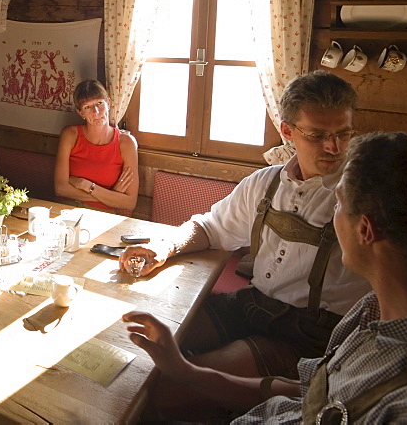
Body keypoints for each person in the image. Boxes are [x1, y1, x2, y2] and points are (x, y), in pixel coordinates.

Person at [124, 132, 407, 422]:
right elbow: (312, 394)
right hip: (256, 316)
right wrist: (188, 371)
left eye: (339, 205)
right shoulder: (374, 309)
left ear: (365, 230)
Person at [119, 71, 369, 386]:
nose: (333, 147)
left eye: (343, 134)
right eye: (317, 135)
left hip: (307, 339)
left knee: (170, 386)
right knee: (143, 344)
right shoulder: (265, 184)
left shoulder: (360, 196)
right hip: (254, 305)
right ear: (287, 131)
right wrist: (165, 247)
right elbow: (210, 228)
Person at [54, 80, 138, 215]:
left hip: (102, 215)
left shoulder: (126, 143)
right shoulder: (70, 135)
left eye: (100, 103)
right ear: (81, 113)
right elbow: (60, 189)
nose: (96, 111)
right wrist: (111, 195)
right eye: (88, 107)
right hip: (66, 210)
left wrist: (86, 185)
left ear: (108, 103)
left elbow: (129, 203)